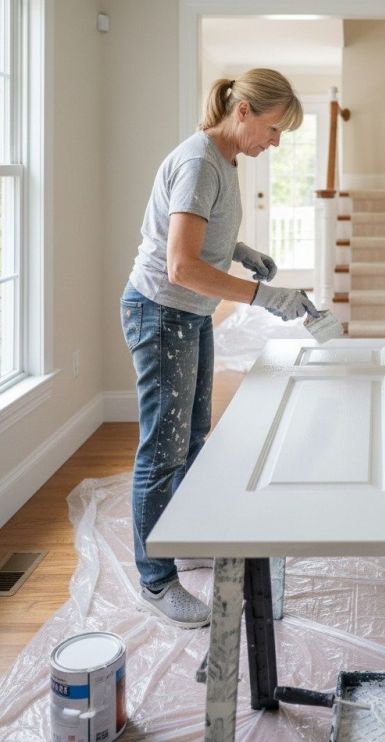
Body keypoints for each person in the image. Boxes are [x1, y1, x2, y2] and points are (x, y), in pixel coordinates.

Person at [119, 69, 317, 628]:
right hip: (161, 312)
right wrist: (262, 295)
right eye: (275, 129)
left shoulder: (224, 162)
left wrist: (240, 251)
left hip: (188, 314)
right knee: (163, 447)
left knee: (192, 434)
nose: (275, 142)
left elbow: (200, 236)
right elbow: (180, 265)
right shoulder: (200, 161)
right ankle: (155, 582)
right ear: (246, 110)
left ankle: (186, 534)